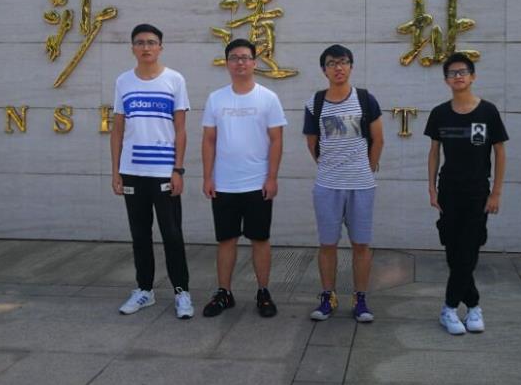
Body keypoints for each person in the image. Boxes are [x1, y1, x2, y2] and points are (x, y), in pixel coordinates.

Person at [111, 23, 193, 319]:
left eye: (151, 42)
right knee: (140, 234)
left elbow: (180, 130)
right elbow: (117, 130)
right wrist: (116, 172)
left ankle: (182, 292)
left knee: (172, 234)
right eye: (140, 42)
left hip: (164, 172)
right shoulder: (123, 81)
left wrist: (178, 170)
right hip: (132, 171)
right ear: (132, 48)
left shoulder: (174, 80)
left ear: (160, 47)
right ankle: (144, 289)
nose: (146, 47)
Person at [201, 38, 287, 317]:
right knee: (226, 240)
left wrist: (272, 177)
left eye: (245, 57)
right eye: (234, 58)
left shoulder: (268, 98)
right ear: (227, 63)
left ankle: (263, 292)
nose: (240, 62)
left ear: (254, 62)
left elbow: (276, 140)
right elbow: (209, 140)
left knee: (260, 239)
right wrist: (208, 177)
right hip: (224, 183)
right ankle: (224, 293)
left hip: (257, 183)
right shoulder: (216, 98)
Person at [425, 52, 508, 335]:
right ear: (446, 80)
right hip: (449, 191)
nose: (457, 76)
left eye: (462, 72)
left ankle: (450, 308)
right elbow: (434, 152)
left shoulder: (488, 112)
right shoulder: (440, 113)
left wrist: (495, 193)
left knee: (469, 250)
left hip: (477, 192)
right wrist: (432, 188)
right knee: (453, 251)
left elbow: (500, 153)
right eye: (452, 73)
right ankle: (472, 305)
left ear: (472, 76)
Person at [303, 44, 384, 323]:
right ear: (324, 69)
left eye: (343, 62)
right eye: (331, 63)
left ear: (351, 66)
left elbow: (378, 139)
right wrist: (330, 167)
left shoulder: (365, 99)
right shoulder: (315, 103)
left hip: (361, 185)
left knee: (361, 244)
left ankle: (360, 298)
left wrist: (366, 169)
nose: (338, 67)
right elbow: (312, 143)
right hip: (327, 185)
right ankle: (328, 296)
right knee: (327, 244)